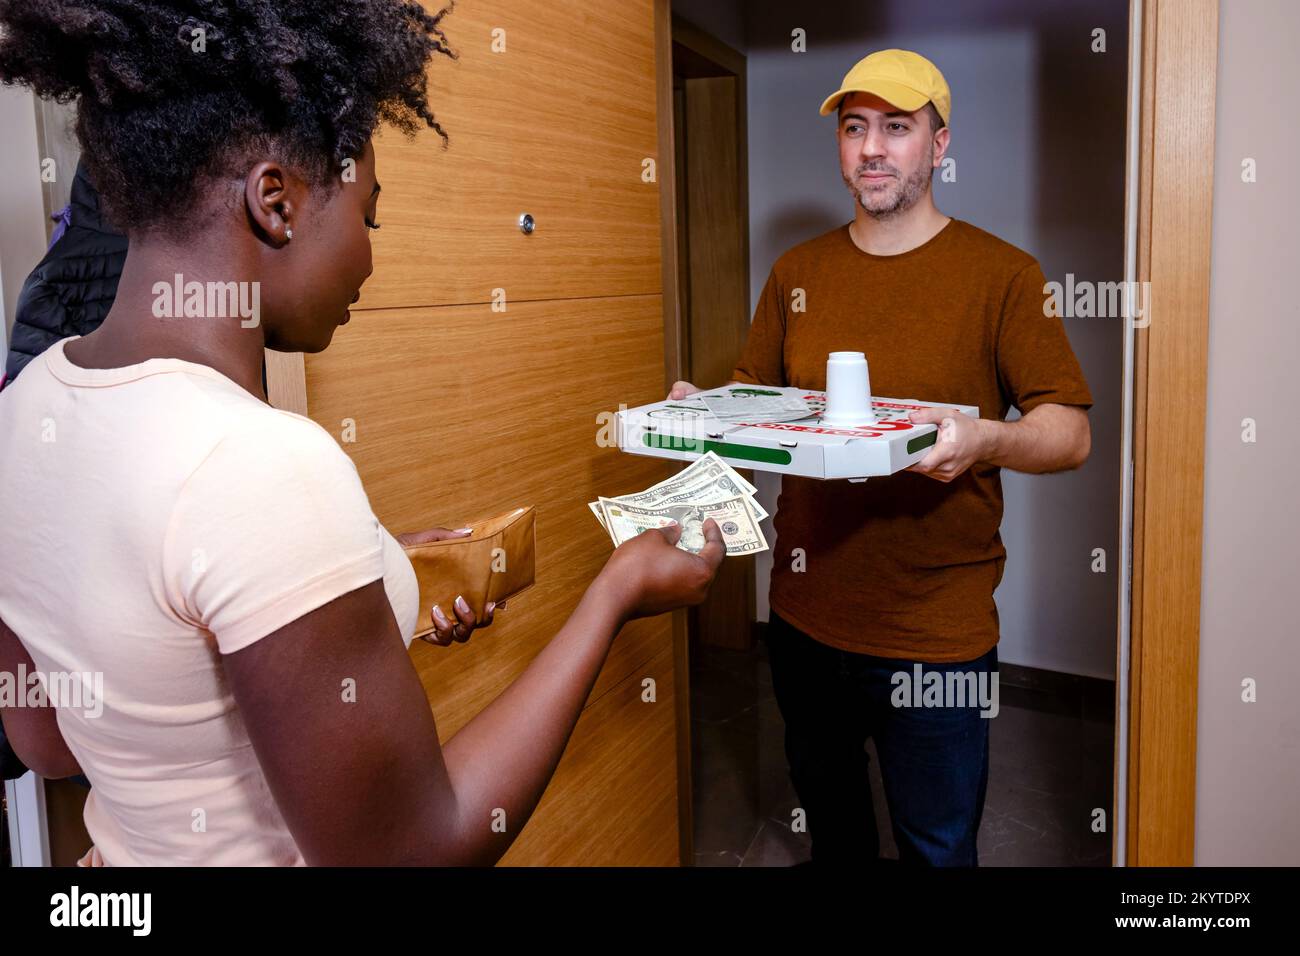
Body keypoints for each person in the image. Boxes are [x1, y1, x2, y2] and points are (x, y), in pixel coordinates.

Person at [0, 0, 723, 866]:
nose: (370, 256)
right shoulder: (262, 464)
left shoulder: (26, 406)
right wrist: (613, 596)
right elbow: (420, 847)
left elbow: (48, 739)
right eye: (368, 215)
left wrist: (362, 583)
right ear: (276, 201)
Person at [669, 49, 1093, 866]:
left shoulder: (1004, 275)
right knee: (834, 833)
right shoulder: (798, 272)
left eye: (897, 128)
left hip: (940, 633)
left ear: (938, 147)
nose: (871, 148)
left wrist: (984, 439)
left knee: (937, 846)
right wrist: (704, 421)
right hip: (803, 621)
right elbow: (754, 411)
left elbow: (1069, 431)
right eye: (855, 127)